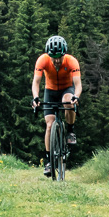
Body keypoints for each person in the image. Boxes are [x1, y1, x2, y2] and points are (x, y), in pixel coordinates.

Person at [31, 34, 82, 178]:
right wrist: (35, 97)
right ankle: (48, 161)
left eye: (60, 56)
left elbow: (78, 85)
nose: (57, 60)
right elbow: (36, 82)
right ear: (49, 55)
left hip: (67, 89)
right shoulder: (42, 60)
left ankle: (70, 130)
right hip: (50, 91)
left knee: (68, 101)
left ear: (64, 54)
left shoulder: (72, 61)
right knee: (49, 125)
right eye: (54, 57)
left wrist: (76, 97)